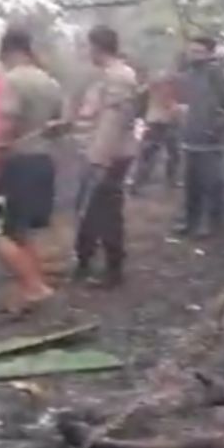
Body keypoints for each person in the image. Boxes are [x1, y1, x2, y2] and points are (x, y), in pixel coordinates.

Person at [0, 26, 62, 314]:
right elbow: (58, 127)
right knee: (22, 230)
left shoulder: (11, 81)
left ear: (8, 51)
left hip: (18, 164)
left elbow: (3, 130)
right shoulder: (50, 82)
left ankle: (34, 287)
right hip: (43, 161)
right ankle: (34, 284)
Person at [74, 25, 139, 288]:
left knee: (106, 211)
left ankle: (113, 269)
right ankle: (84, 261)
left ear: (98, 47)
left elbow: (114, 122)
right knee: (91, 210)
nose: (86, 51)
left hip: (109, 156)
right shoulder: (106, 76)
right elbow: (94, 115)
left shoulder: (120, 77)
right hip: (97, 153)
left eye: (88, 46)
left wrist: (100, 160)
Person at [177, 35, 224, 238]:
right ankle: (190, 220)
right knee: (191, 182)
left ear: (209, 53)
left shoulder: (216, 72)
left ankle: (211, 223)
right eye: (191, 50)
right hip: (191, 134)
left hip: (211, 138)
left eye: (198, 51)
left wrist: (216, 125)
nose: (193, 55)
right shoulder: (189, 73)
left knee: (211, 182)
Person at [131, 71, 181, 194]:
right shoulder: (170, 88)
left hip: (154, 121)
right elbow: (172, 106)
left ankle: (137, 183)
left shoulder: (151, 87)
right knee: (171, 154)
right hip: (165, 123)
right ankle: (170, 180)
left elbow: (138, 96)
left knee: (149, 156)